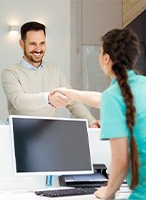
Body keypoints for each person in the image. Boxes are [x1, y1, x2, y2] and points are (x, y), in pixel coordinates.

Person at [53, 28, 146, 199]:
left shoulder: (114, 96)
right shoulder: (141, 84)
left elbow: (121, 162)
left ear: (105, 58)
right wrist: (68, 92)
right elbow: (101, 99)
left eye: (101, 51)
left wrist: (108, 192)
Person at [1, 21, 98, 127]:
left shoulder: (56, 71)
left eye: (42, 43)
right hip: (21, 133)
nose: (38, 49)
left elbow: (73, 102)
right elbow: (19, 101)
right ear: (21, 43)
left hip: (50, 133)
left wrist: (91, 121)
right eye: (33, 44)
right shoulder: (10, 73)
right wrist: (48, 98)